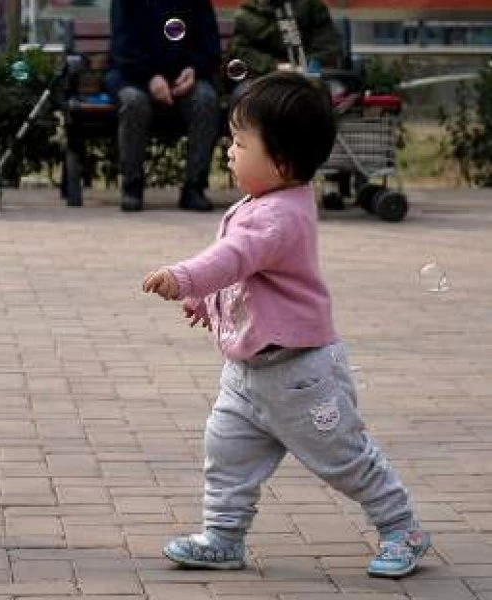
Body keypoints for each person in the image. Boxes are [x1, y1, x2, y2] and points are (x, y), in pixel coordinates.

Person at [141, 72, 429, 579]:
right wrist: (207, 305)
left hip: (300, 377)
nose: (229, 151)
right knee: (225, 451)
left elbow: (231, 259)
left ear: (284, 161)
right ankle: (223, 537)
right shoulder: (263, 203)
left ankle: (401, 525)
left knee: (344, 457)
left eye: (239, 142)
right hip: (248, 373)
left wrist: (184, 278)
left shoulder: (275, 218)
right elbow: (249, 279)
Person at [107, 0, 219, 213]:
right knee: (133, 102)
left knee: (206, 100)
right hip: (133, 76)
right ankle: (132, 186)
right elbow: (123, 46)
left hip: (183, 78)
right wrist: (150, 76)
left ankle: (194, 188)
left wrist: (194, 69)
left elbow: (209, 45)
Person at [229, 0, 344, 96]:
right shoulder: (248, 12)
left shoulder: (313, 7)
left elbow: (329, 47)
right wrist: (275, 66)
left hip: (310, 75)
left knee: (325, 92)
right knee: (246, 95)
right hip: (262, 77)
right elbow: (240, 51)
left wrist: (305, 68)